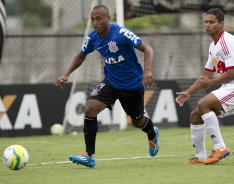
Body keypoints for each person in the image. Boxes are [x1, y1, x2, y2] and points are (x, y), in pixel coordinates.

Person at [55, 5, 159, 168]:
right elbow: (80, 56)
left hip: (132, 85)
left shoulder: (121, 33)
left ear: (108, 19)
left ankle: (152, 134)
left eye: (98, 19)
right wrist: (66, 74)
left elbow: (147, 48)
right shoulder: (92, 38)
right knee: (90, 108)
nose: (95, 23)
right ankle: (89, 156)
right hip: (111, 82)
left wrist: (147, 70)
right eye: (92, 19)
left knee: (138, 121)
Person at [175, 8, 234, 165]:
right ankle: (201, 156)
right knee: (195, 115)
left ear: (221, 24)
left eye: (211, 22)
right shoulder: (213, 46)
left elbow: (232, 73)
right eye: (206, 22)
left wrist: (211, 83)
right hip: (230, 87)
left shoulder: (227, 41)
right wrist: (189, 92)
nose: (207, 25)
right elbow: (205, 75)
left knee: (203, 103)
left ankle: (220, 148)